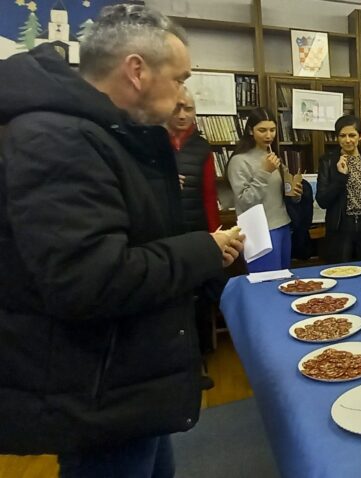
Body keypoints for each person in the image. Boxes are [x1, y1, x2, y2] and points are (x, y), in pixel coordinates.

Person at [0, 4, 244, 476]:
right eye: (179, 78)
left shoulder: (108, 134)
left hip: (130, 382)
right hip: (99, 390)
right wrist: (204, 250)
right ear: (136, 71)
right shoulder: (56, 138)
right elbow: (90, 278)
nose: (182, 95)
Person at [227, 107, 301, 272]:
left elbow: (278, 193)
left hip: (282, 225)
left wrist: (294, 194)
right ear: (250, 130)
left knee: (284, 280)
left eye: (272, 130)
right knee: (265, 282)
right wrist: (265, 172)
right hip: (258, 230)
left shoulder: (273, 155)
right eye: (262, 130)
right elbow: (245, 201)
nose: (269, 135)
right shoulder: (239, 161)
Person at [316, 114, 361, 263]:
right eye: (342, 135)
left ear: (360, 136)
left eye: (352, 135)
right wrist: (340, 178)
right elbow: (322, 200)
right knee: (341, 272)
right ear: (337, 137)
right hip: (341, 228)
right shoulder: (328, 161)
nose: (347, 140)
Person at [167, 86, 221, 233]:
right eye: (176, 109)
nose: (182, 115)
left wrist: (215, 233)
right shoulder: (151, 141)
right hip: (164, 230)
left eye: (188, 109)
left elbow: (210, 195)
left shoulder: (202, 147)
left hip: (197, 229)